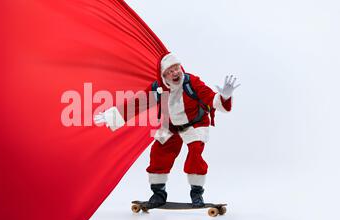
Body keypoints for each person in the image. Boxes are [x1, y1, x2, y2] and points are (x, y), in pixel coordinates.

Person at [94, 53, 240, 208]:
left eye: (176, 68)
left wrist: (224, 97)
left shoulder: (192, 82)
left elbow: (210, 98)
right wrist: (111, 116)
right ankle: (158, 194)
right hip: (170, 126)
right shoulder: (158, 88)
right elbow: (137, 104)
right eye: (170, 71)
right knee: (158, 154)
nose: (175, 72)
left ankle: (197, 194)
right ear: (163, 75)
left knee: (195, 153)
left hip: (194, 124)